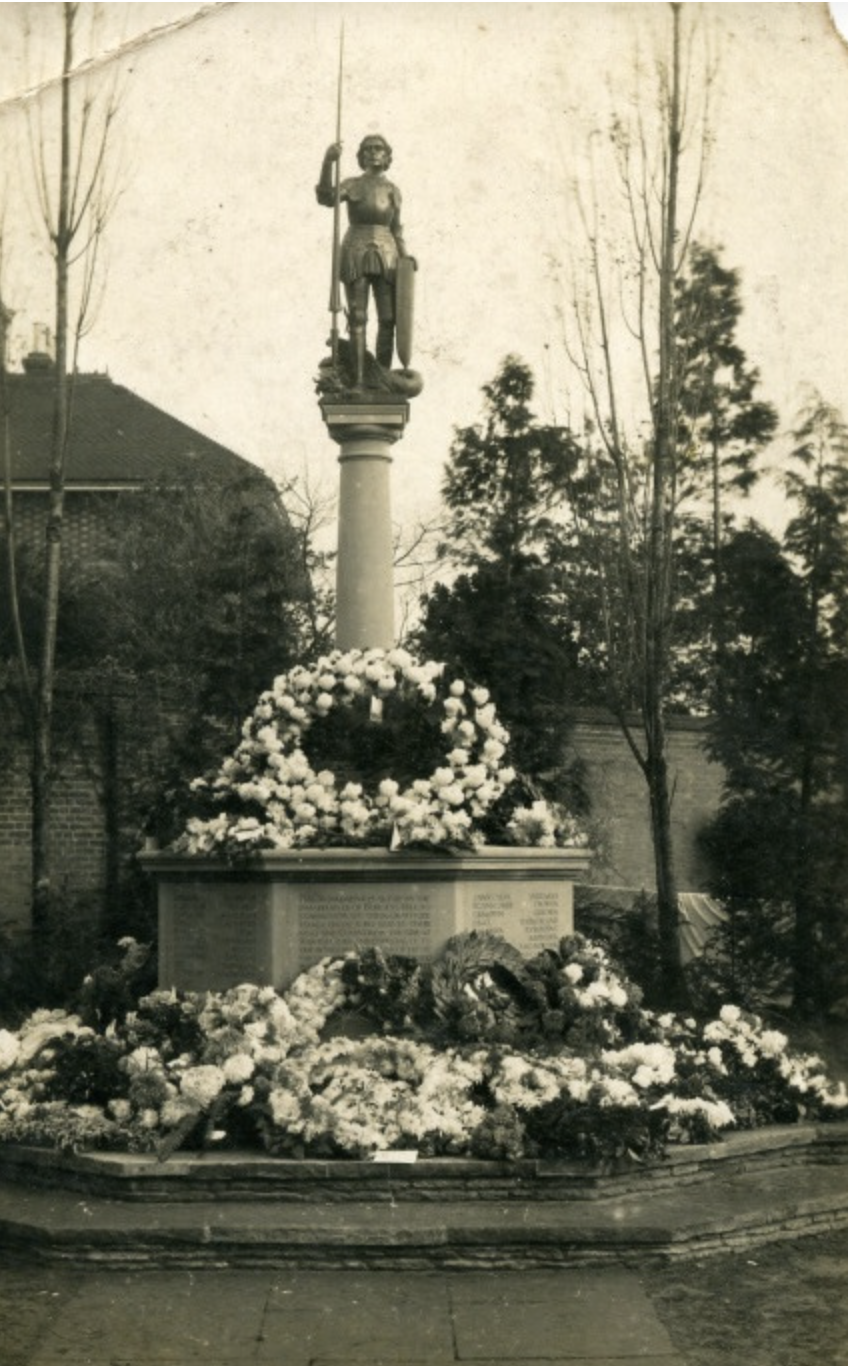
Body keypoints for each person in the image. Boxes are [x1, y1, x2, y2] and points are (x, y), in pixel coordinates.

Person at [316, 134, 415, 387]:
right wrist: (328, 162)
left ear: (387, 155)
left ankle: (380, 378)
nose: (373, 152)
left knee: (389, 318)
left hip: (388, 251)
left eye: (378, 148)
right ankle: (359, 381)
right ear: (361, 156)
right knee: (358, 316)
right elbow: (326, 198)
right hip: (356, 247)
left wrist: (405, 256)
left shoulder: (393, 190)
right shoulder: (351, 184)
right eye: (368, 149)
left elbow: (397, 228)